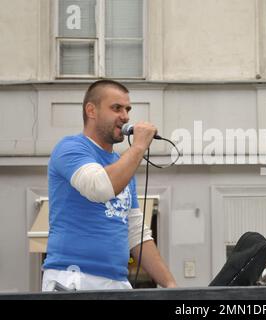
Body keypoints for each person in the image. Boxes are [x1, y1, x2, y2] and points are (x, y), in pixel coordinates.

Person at [42, 79, 177, 291]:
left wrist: (171, 286)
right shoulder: (69, 148)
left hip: (116, 280)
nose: (125, 116)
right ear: (91, 110)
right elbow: (99, 187)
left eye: (127, 109)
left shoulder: (122, 165)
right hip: (73, 277)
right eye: (116, 108)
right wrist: (140, 146)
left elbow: (136, 234)